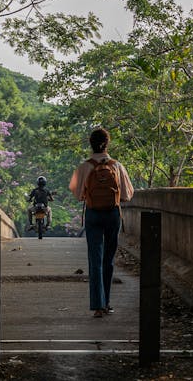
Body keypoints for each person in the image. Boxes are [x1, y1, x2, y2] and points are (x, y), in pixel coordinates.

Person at [68, 127, 134, 318]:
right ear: (107, 144)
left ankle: (98, 305)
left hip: (93, 215)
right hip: (113, 214)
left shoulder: (84, 167)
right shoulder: (117, 166)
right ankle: (107, 304)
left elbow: (76, 193)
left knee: (95, 259)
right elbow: (128, 195)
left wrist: (91, 194)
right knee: (108, 259)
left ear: (91, 144)